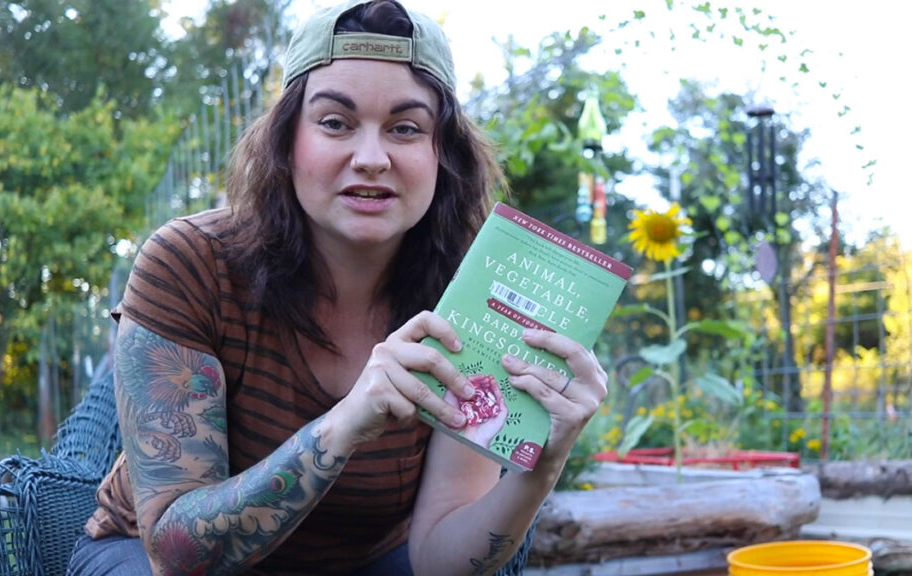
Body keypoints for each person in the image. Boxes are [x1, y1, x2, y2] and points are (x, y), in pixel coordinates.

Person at [67, 1, 609, 574]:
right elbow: (175, 553)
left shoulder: (470, 294)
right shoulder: (192, 264)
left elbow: (438, 561)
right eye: (335, 123)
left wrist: (541, 465)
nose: (371, 158)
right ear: (286, 141)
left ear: (441, 152)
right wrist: (346, 423)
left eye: (405, 128)